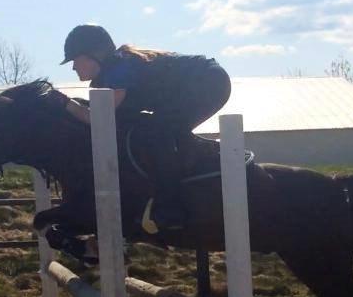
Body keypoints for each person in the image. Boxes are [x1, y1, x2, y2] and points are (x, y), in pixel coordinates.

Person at [52, 24, 231, 231]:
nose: (73, 67)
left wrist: (65, 103)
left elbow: (98, 119)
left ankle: (170, 206)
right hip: (202, 81)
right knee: (152, 129)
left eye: (75, 59)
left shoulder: (120, 70)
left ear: (95, 55)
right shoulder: (113, 70)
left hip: (208, 82)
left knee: (157, 131)